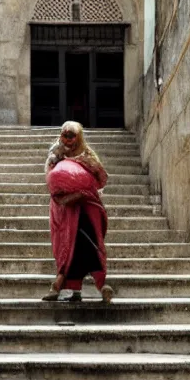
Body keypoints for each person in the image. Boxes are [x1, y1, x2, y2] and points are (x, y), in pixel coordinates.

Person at [43, 121, 114, 302]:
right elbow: (52, 180)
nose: (67, 140)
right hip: (65, 209)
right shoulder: (56, 154)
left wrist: (84, 187)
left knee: (86, 244)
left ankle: (63, 286)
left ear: (79, 137)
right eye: (65, 135)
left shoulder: (87, 156)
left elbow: (101, 178)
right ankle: (74, 291)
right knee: (66, 246)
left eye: (71, 135)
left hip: (85, 208)